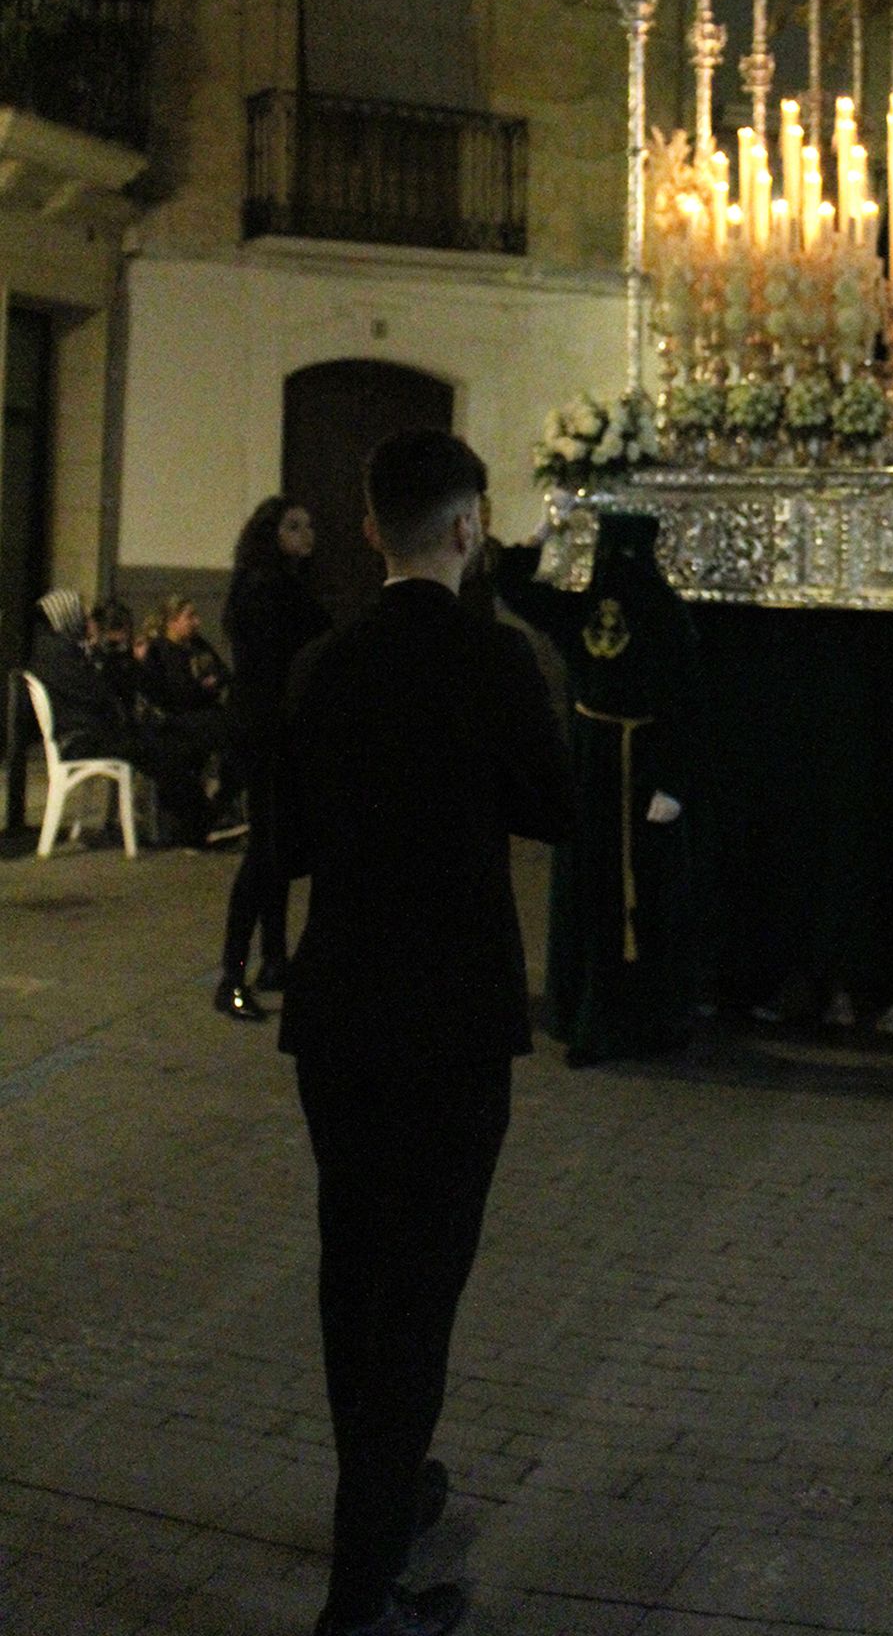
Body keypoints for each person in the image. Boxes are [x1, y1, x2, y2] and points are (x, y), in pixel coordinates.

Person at [277, 429, 574, 1636]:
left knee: (353, 1274)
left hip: (340, 1012)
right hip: (450, 1018)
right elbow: (554, 810)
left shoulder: (322, 662)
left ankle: (386, 1496)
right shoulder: (495, 660)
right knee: (420, 1294)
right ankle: (363, 1599)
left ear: (368, 530)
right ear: (468, 528)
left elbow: (284, 841)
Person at [539, 510, 705, 1065]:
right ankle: (589, 1015)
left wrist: (673, 783)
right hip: (593, 762)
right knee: (591, 889)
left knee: (641, 895)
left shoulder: (665, 612)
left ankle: (645, 1020)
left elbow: (685, 701)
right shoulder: (583, 605)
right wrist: (543, 536)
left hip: (641, 764)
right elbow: (521, 590)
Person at [215, 499, 331, 1021]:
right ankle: (232, 975)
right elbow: (283, 659)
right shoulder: (269, 590)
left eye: (309, 525)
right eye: (294, 526)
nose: (307, 534)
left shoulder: (269, 584)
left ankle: (274, 959)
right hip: (269, 732)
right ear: (272, 534)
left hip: (267, 727)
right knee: (265, 851)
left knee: (275, 846)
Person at [29, 588, 215, 847]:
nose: (90, 623)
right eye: (85, 617)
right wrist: (103, 657)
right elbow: (98, 694)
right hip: (85, 737)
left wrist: (121, 659)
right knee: (164, 750)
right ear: (68, 617)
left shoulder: (61, 649)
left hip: (89, 731)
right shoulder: (60, 654)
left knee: (168, 744)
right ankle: (198, 823)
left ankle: (193, 821)